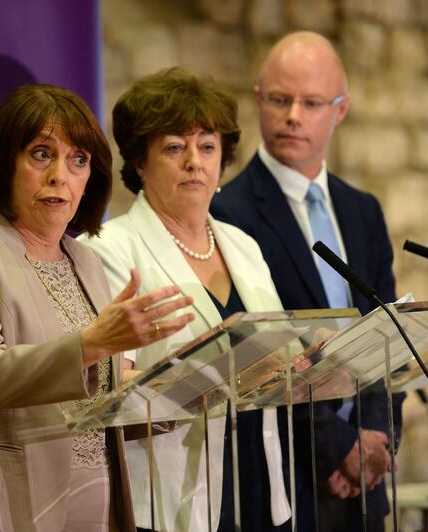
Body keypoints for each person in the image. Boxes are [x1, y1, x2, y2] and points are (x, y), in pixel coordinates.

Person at [0, 83, 194, 532]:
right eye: (41, 154)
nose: (59, 176)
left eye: (78, 160)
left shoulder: (85, 260)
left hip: (94, 505)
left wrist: (195, 382)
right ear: (5, 163)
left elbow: (101, 389)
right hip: (1, 504)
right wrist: (93, 342)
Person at [79, 67, 290, 532]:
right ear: (139, 162)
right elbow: (108, 379)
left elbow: (278, 348)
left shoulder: (244, 245)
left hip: (257, 468)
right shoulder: (112, 248)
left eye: (208, 147)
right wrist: (204, 378)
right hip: (170, 485)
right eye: (175, 147)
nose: (195, 161)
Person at [211, 31, 405, 532]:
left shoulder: (363, 211)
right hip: (283, 477)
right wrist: (340, 449)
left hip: (366, 478)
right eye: (279, 99)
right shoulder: (225, 213)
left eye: (312, 102)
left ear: (339, 110)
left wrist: (378, 438)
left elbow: (388, 334)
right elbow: (254, 354)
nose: (293, 114)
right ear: (258, 100)